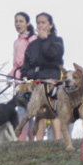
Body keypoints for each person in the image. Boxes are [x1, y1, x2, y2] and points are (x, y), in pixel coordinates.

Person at [22, 13, 66, 141]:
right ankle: (39, 141)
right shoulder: (32, 45)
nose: (40, 25)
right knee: (39, 110)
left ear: (50, 25)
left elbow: (53, 56)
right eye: (38, 23)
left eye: (43, 22)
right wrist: (29, 76)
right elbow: (26, 67)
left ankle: (58, 139)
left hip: (52, 79)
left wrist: (45, 40)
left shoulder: (57, 41)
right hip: (37, 81)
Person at [9, 12, 36, 141]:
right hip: (18, 80)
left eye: (21, 21)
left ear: (27, 23)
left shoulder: (32, 39)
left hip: (29, 80)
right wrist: (10, 76)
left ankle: (25, 138)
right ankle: (25, 138)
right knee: (22, 110)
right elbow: (16, 64)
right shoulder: (16, 42)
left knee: (27, 110)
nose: (18, 24)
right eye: (16, 21)